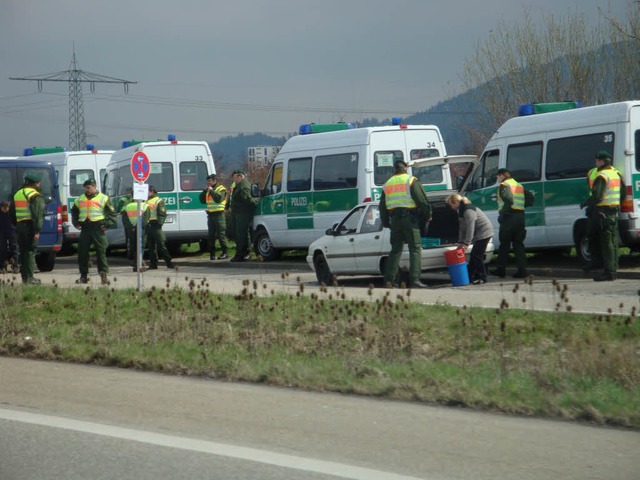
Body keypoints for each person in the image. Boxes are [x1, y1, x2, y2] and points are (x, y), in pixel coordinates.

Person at [379, 158, 432, 289]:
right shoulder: (411, 180)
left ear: (394, 169)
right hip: (410, 220)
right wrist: (428, 215)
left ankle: (390, 281)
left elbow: (382, 207)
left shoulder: (387, 184)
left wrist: (386, 223)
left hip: (395, 221)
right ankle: (414, 280)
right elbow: (422, 200)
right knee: (414, 249)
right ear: (406, 167)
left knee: (395, 250)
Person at [580, 150, 624, 281]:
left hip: (602, 211)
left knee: (606, 242)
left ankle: (609, 272)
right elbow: (621, 193)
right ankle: (612, 268)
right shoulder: (616, 173)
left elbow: (597, 196)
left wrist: (586, 204)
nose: (595, 162)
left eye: (597, 160)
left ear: (602, 161)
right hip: (612, 209)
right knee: (612, 240)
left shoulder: (602, 176)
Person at [71, 178, 117, 285]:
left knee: (101, 253)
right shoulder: (79, 199)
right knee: (82, 253)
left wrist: (107, 224)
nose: (86, 190)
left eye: (88, 187)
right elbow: (74, 212)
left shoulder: (103, 198)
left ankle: (103, 277)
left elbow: (112, 214)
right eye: (85, 188)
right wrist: (76, 223)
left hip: (98, 228)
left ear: (94, 187)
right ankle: (83, 276)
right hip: (85, 228)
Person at [445, 193, 494, 285]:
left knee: (477, 256)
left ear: (455, 202)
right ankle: (470, 276)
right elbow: (462, 228)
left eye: (451, 204)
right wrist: (460, 242)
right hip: (479, 233)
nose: (450, 207)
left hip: (484, 232)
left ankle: (482, 277)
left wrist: (466, 243)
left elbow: (470, 228)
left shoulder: (468, 210)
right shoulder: (461, 210)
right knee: (474, 256)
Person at [490, 168, 528, 279]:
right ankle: (522, 271)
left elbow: (509, 200)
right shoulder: (518, 185)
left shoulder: (504, 185)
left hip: (509, 218)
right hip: (520, 217)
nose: (497, 178)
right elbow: (530, 198)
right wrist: (521, 208)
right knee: (519, 245)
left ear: (502, 175)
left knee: (504, 245)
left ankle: (501, 270)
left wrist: (503, 214)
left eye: (497, 176)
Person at [9, 174, 45, 284]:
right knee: (30, 251)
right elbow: (37, 214)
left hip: (20, 225)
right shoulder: (35, 195)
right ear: (36, 183)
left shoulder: (17, 194)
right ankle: (30, 278)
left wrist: (17, 224)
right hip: (30, 225)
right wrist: (37, 230)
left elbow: (12, 213)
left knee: (23, 251)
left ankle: (24, 277)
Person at [199, 173, 229, 260]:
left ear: (215, 180)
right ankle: (212, 254)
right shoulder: (209, 190)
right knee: (211, 235)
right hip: (211, 215)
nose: (208, 183)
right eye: (208, 181)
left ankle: (225, 252)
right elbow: (202, 200)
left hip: (219, 215)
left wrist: (211, 191)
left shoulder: (221, 189)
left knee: (221, 235)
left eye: (210, 181)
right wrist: (205, 191)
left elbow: (218, 199)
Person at [229, 170, 257, 262]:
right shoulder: (240, 185)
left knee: (241, 234)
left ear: (239, 176)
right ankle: (244, 253)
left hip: (243, 214)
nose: (233, 180)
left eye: (234, 177)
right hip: (239, 214)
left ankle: (241, 254)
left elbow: (248, 199)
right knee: (240, 234)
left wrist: (256, 204)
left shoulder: (243, 186)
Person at [146, 186, 175, 269]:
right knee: (151, 246)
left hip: (156, 225)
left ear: (151, 191)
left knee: (161, 245)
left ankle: (169, 262)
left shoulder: (158, 200)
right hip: (148, 225)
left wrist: (159, 224)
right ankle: (153, 264)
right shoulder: (146, 201)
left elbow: (162, 214)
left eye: (147, 191)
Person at [124, 197, 150, 271]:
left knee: (134, 246)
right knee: (141, 246)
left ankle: (136, 264)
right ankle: (139, 265)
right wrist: (138, 227)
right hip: (141, 229)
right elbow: (145, 219)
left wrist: (132, 227)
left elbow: (125, 220)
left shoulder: (127, 206)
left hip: (131, 230)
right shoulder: (145, 206)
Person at [0, 200, 19, 274]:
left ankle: (15, 266)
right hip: (2, 232)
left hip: (12, 231)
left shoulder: (12, 212)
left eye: (6, 208)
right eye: (3, 208)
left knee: (14, 249)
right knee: (2, 249)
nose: (5, 210)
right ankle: (2, 267)